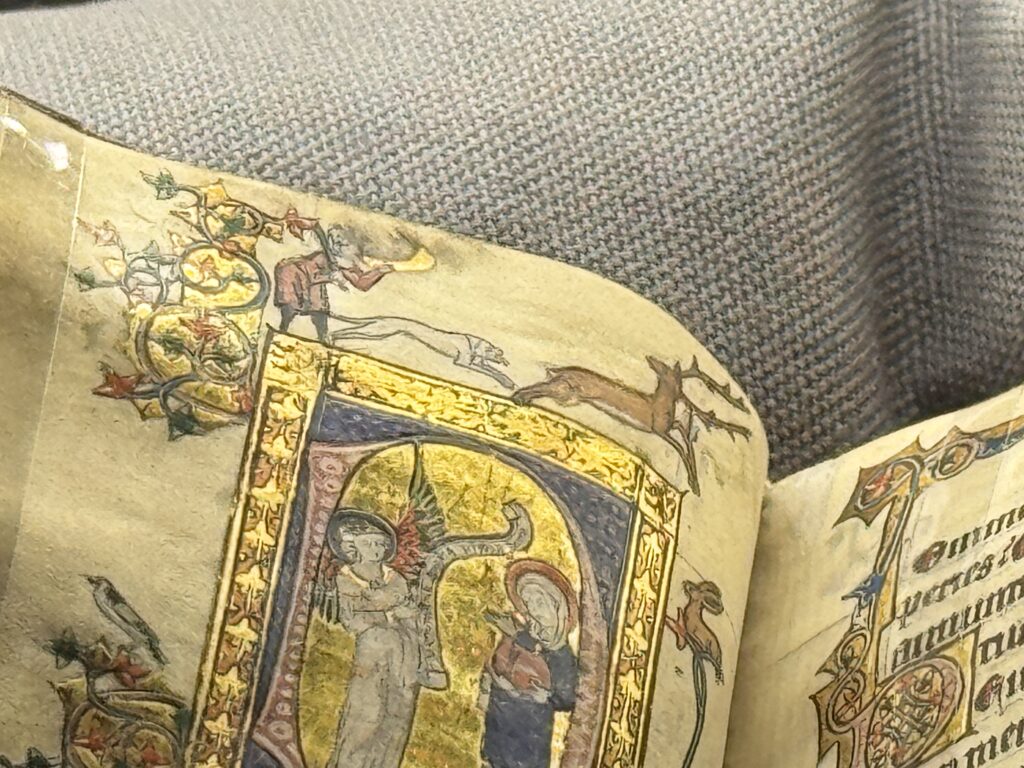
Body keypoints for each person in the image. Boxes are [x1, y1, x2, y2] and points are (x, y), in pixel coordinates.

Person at [326, 511, 420, 768]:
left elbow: (407, 608)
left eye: (381, 544)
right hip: (372, 653)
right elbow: (352, 619)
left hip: (403, 652)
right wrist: (387, 607)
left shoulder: (395, 578)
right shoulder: (346, 579)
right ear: (352, 546)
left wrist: (384, 605)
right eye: (369, 543)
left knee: (397, 712)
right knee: (367, 712)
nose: (377, 549)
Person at [479, 560, 579, 768]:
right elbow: (498, 662)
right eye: (528, 604)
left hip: (529, 738)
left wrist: (539, 694)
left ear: (557, 607)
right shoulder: (520, 635)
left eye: (539, 603)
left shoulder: (562, 655)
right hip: (499, 728)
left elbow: (567, 698)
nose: (533, 612)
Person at [274, 225, 393, 341]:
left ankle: (322, 338)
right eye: (338, 242)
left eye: (347, 244)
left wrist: (379, 271)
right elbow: (313, 272)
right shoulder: (327, 256)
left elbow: (361, 283)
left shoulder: (346, 261)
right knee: (291, 305)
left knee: (319, 308)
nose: (340, 245)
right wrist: (332, 277)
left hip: (313, 281)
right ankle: (282, 331)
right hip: (293, 273)